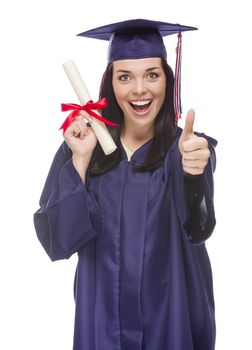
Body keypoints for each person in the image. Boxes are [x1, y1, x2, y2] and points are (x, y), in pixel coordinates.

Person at [34, 19, 217, 350]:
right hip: (102, 325)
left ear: (167, 80)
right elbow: (58, 241)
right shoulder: (83, 147)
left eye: (151, 74)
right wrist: (79, 161)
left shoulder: (187, 150)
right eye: (124, 77)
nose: (139, 89)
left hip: (170, 323)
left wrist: (194, 176)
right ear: (109, 84)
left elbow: (199, 227)